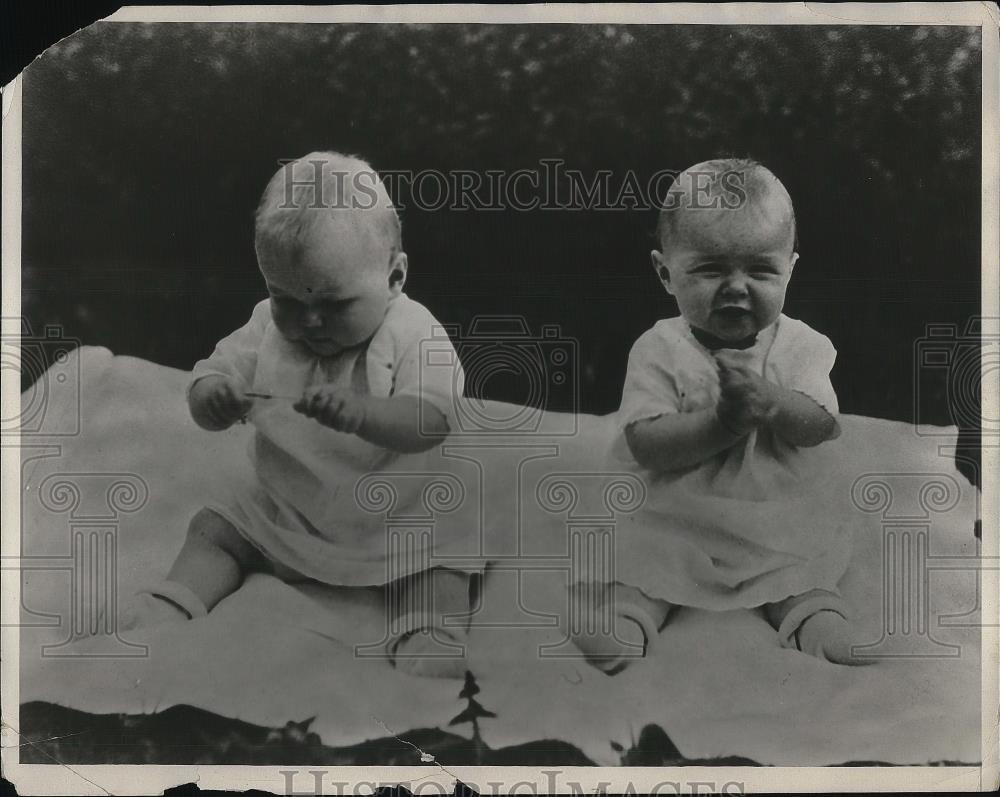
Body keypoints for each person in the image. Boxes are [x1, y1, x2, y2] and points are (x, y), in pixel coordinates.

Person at [120, 151, 474, 678]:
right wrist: (214, 398)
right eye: (286, 297)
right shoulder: (268, 327)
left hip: (399, 515)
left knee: (447, 555)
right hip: (291, 510)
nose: (309, 322)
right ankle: (173, 603)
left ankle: (427, 631)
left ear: (394, 276)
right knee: (216, 527)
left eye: (334, 304)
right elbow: (209, 374)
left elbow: (432, 421)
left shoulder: (414, 331)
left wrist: (363, 414)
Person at [571, 158, 865, 674]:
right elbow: (647, 443)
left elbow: (821, 425)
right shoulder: (659, 348)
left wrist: (773, 403)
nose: (735, 286)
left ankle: (814, 620)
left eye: (760, 270)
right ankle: (627, 621)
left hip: (772, 509)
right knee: (645, 561)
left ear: (790, 269)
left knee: (798, 568)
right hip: (678, 507)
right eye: (710, 269)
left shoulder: (802, 347)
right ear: (666, 272)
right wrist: (721, 424)